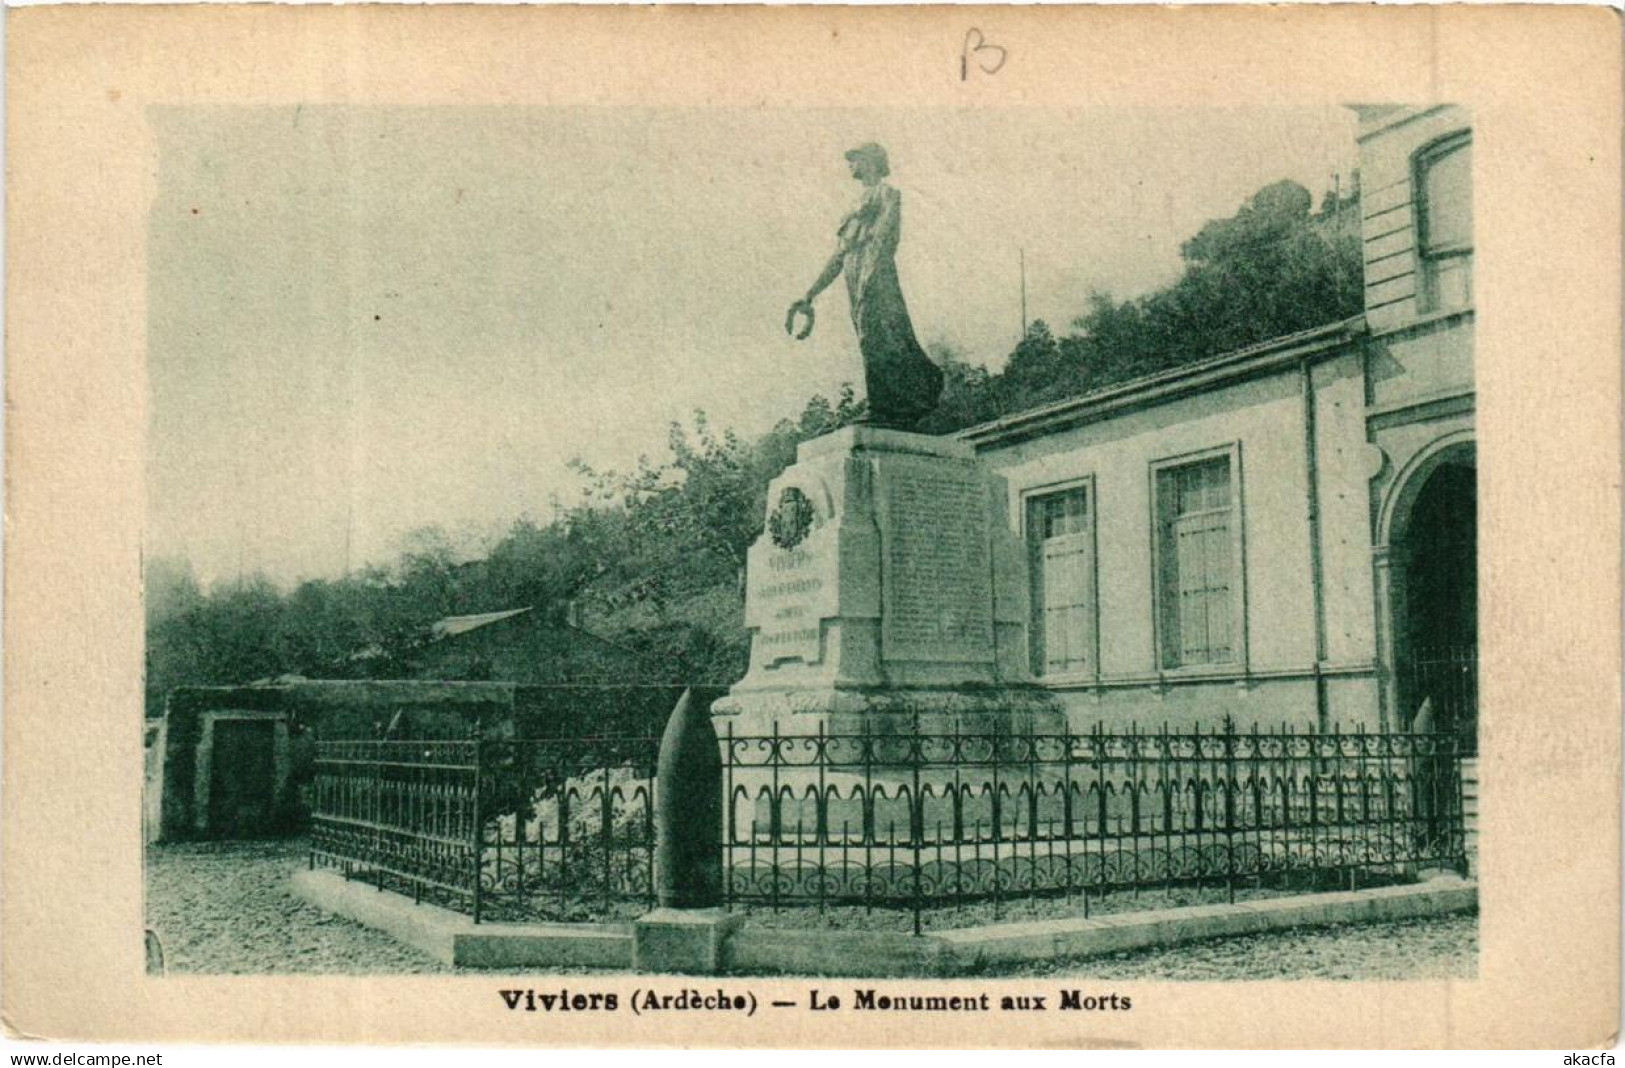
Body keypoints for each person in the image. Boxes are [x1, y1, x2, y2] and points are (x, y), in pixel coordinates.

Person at [785, 143, 943, 430]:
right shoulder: (853, 207)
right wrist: (810, 294)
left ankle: (883, 406)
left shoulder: (888, 194)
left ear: (870, 161)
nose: (850, 166)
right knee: (867, 338)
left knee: (877, 336)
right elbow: (840, 254)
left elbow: (885, 238)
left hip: (876, 273)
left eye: (854, 160)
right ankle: (887, 403)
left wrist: (869, 279)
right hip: (854, 273)